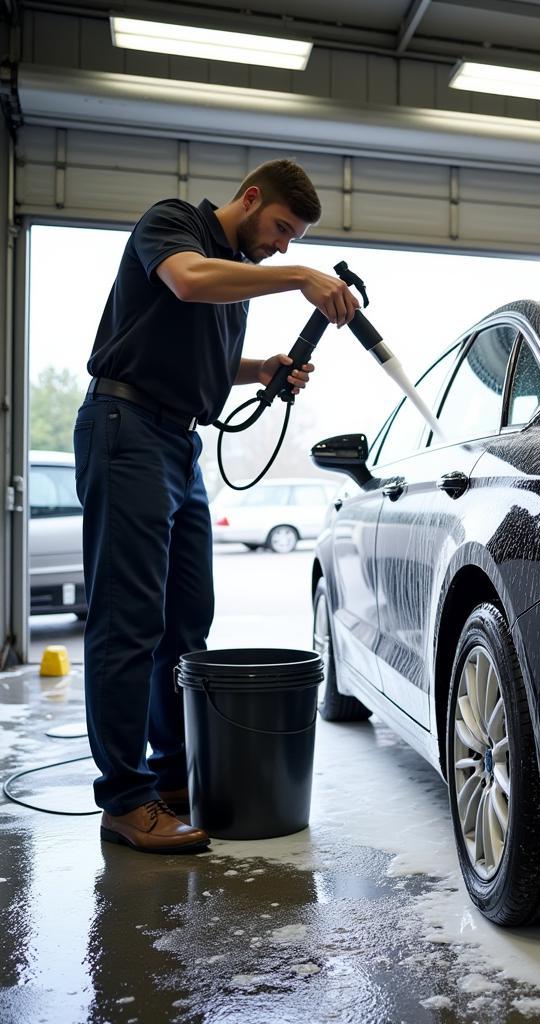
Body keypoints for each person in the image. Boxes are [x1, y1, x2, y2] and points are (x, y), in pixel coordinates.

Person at [74, 158, 359, 853]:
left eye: (294, 241)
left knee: (185, 622)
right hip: (127, 427)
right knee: (129, 619)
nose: (284, 246)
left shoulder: (235, 272)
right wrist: (299, 278)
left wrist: (256, 369)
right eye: (282, 228)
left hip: (178, 442)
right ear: (251, 198)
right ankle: (123, 798)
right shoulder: (175, 225)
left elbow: (192, 347)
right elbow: (187, 280)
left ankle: (171, 778)